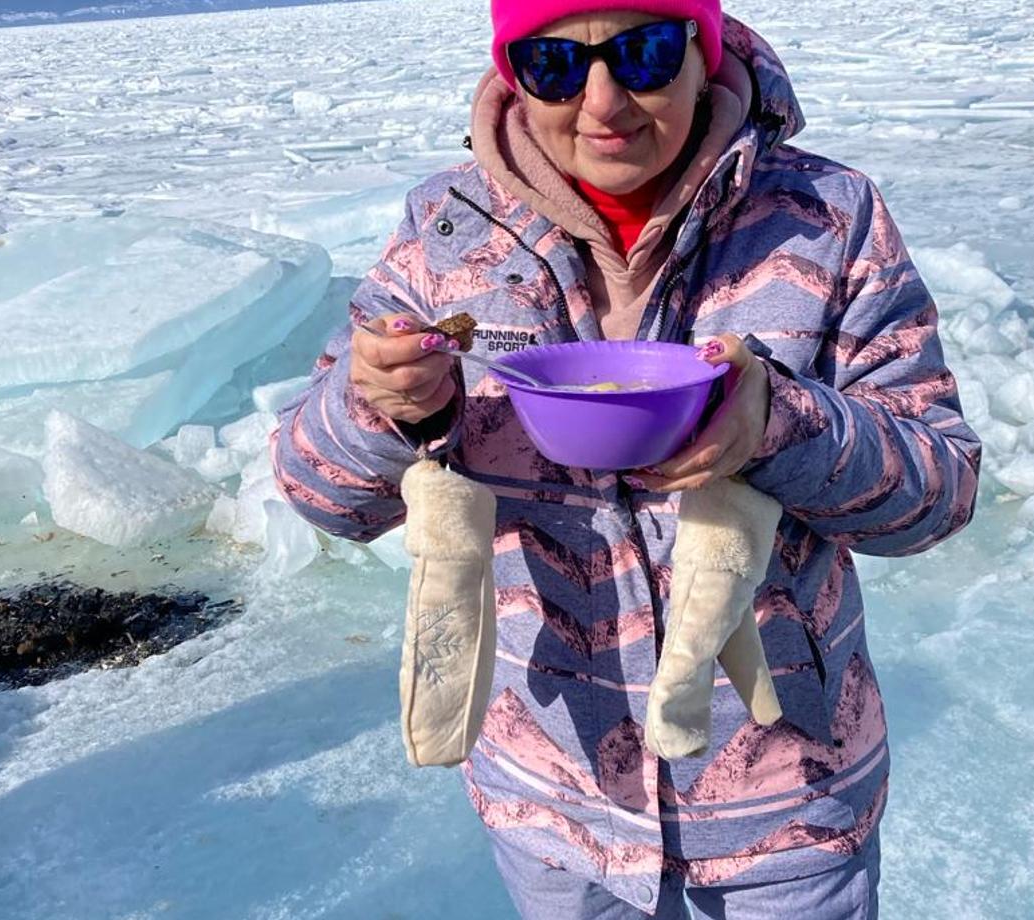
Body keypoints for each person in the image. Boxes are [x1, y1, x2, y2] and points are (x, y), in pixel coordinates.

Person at [272, 1, 981, 916]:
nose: (603, 101)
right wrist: (384, 406)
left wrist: (779, 423)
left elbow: (941, 487)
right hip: (555, 806)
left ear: (702, 49)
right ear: (514, 70)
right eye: (556, 66)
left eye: (642, 54)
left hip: (784, 808)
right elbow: (316, 488)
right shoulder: (445, 234)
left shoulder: (824, 219)